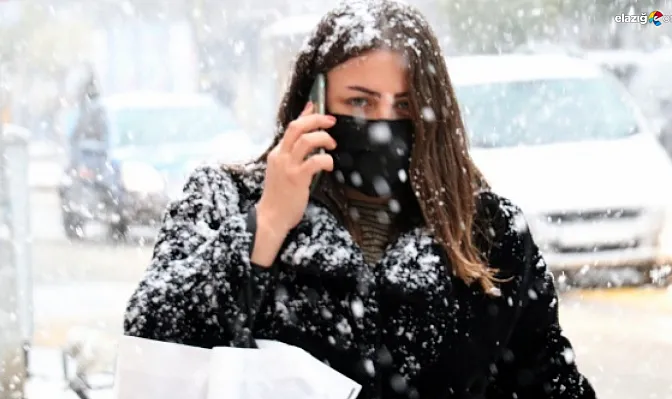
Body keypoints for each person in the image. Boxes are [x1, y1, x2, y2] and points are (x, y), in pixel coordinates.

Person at [123, 1, 596, 398]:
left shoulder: (487, 231)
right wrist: (265, 224)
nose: (383, 125)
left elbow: (547, 379)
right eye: (360, 103)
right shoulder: (225, 199)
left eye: (405, 107)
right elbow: (156, 339)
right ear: (313, 102)